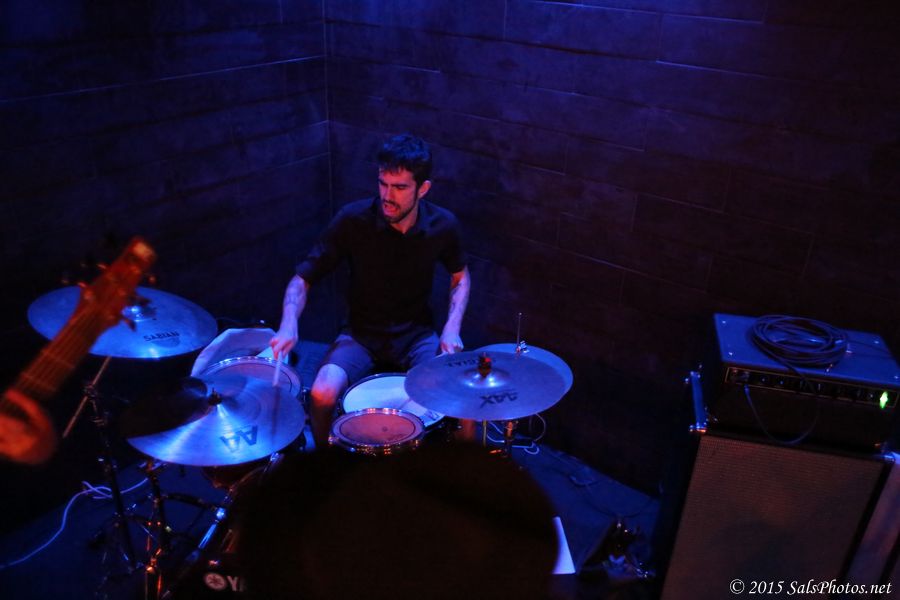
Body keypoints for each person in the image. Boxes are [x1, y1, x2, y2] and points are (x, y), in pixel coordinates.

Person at [270, 134, 471, 447]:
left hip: (416, 335)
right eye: (383, 184)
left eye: (399, 187)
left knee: (461, 393)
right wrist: (288, 323)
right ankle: (323, 459)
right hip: (360, 334)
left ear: (423, 189)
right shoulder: (353, 220)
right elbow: (302, 279)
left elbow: (461, 276)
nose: (388, 196)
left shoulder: (443, 225)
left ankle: (464, 462)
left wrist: (452, 328)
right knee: (321, 394)